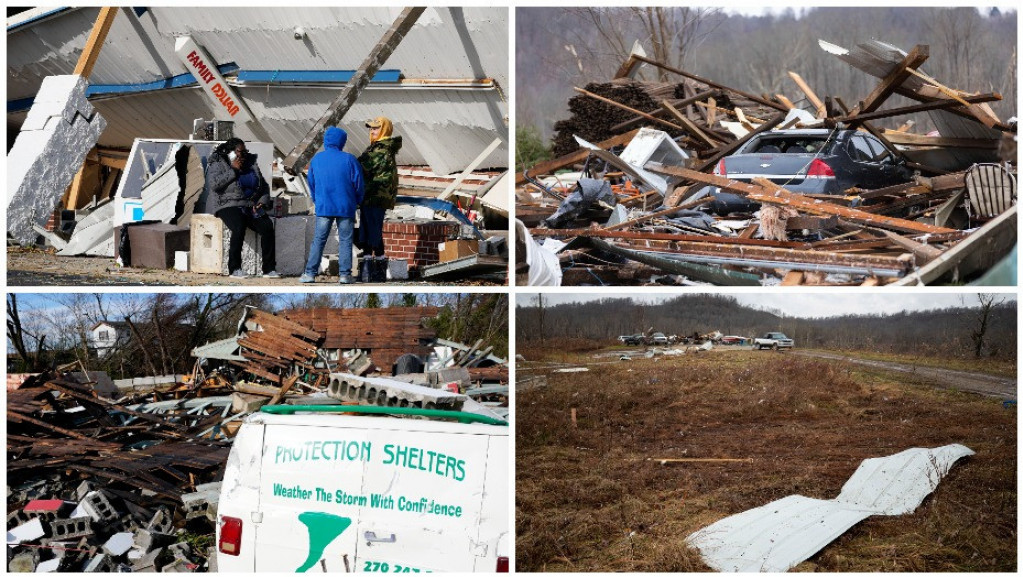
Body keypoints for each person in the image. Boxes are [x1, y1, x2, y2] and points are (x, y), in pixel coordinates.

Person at [205, 138, 278, 278]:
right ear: (231, 152)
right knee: (239, 225)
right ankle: (235, 268)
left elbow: (263, 186)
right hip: (227, 203)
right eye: (240, 152)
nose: (243, 155)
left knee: (267, 226)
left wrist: (262, 200)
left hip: (249, 204)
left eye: (245, 152)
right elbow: (214, 185)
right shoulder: (218, 163)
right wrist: (233, 170)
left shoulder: (251, 163)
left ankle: (269, 269)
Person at [300, 126, 365, 284]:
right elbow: (359, 184)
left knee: (319, 239)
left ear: (326, 140)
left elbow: (312, 183)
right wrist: (357, 201)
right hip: (346, 206)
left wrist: (317, 200)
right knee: (345, 240)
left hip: (324, 206)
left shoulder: (316, 160)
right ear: (342, 141)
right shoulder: (349, 159)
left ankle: (309, 274)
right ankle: (345, 275)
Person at [357, 116, 402, 275]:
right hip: (371, 195)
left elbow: (361, 165)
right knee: (369, 230)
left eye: (376, 128)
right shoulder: (377, 147)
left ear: (384, 129)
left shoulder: (381, 149)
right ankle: (369, 265)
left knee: (373, 230)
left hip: (376, 196)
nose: (372, 131)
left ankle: (376, 270)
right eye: (371, 128)